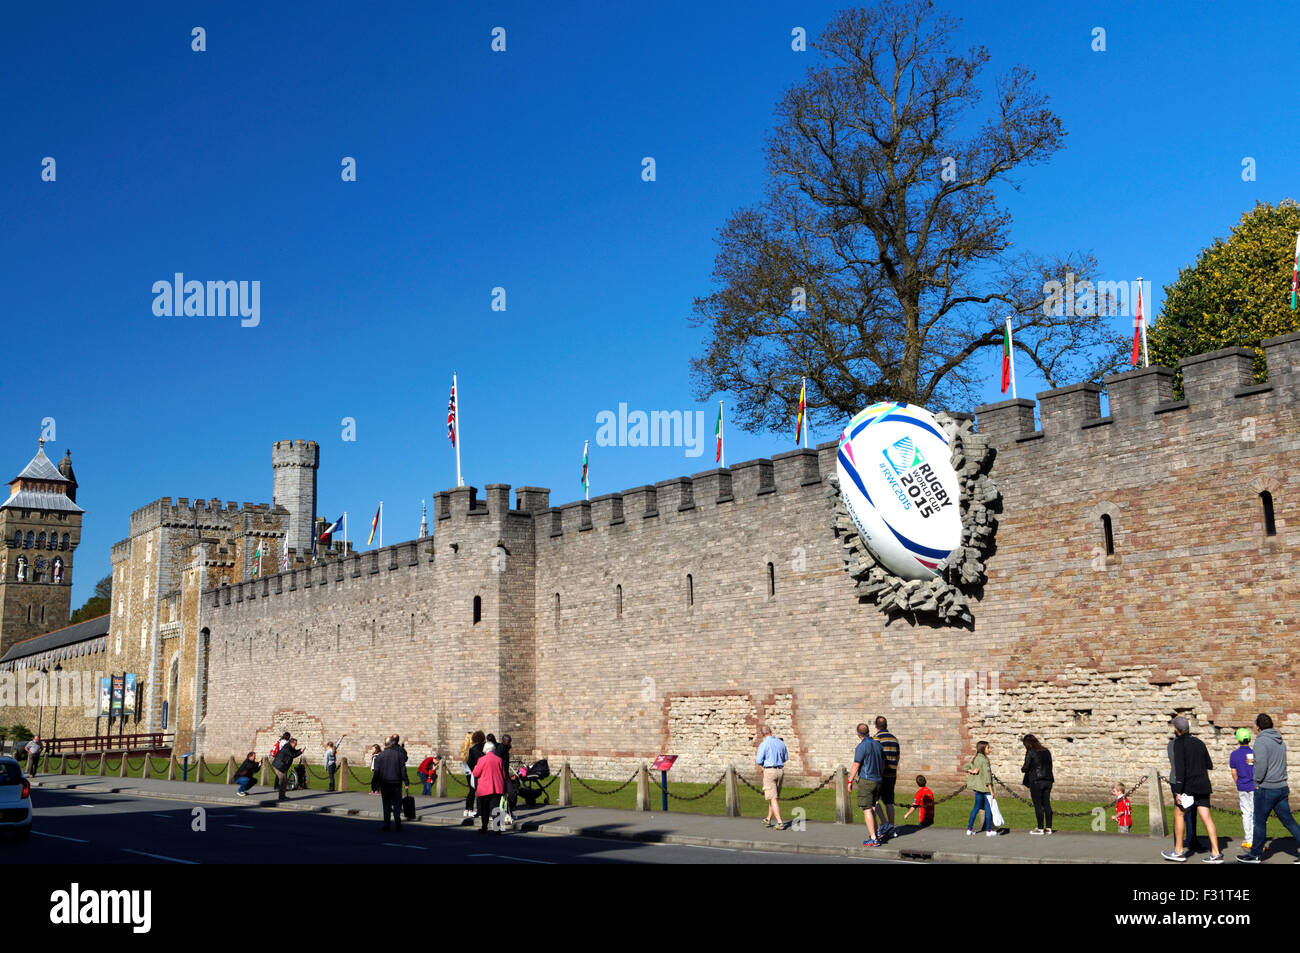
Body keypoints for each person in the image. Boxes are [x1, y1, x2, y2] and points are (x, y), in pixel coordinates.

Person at [1237, 713, 1300, 864]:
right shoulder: (1280, 741)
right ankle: (1255, 854)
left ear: (1258, 727)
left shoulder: (1261, 742)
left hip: (1267, 788)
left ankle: (1255, 855)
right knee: (1289, 821)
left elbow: (1261, 766)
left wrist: (1256, 781)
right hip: (1282, 787)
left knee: (1259, 821)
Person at [1162, 716, 1222, 863]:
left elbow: (1180, 770)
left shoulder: (1178, 744)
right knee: (1207, 818)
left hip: (1188, 786)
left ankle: (1178, 851)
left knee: (1179, 815)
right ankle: (1216, 853)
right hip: (1203, 785)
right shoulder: (1199, 742)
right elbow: (1209, 764)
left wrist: (1178, 791)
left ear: (1177, 729)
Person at [1166, 727, 1202, 854]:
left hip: (1180, 780)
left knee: (1187, 812)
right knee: (1182, 812)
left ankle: (1190, 840)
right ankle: (1181, 843)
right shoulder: (1175, 745)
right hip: (1180, 781)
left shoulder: (1172, 744)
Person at [849, 723, 884, 846]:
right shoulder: (878, 744)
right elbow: (883, 763)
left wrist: (850, 781)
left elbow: (856, 765)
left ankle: (874, 838)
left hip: (867, 780)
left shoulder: (862, 746)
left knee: (867, 809)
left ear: (858, 734)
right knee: (873, 806)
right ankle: (876, 832)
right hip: (878, 780)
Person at [754, 725, 789, 831]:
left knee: (772, 797)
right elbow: (785, 758)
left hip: (769, 771)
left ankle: (779, 822)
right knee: (774, 796)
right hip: (780, 770)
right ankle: (768, 819)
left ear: (762, 734)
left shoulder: (764, 744)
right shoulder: (780, 743)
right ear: (771, 731)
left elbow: (759, 760)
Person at [471, 740, 507, 833]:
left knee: (485, 809)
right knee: (496, 808)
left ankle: (484, 827)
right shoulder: (499, 760)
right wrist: (505, 789)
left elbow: (475, 773)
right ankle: (497, 828)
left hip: (484, 788)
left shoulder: (482, 760)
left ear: (485, 749)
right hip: (497, 788)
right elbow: (503, 775)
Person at [1021, 734, 1055, 834]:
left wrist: (1023, 769)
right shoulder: (1046, 751)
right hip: (1048, 780)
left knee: (1038, 805)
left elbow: (1026, 767)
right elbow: (1050, 765)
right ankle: (1048, 827)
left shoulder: (1031, 752)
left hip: (1036, 781)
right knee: (1047, 804)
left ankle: (1040, 828)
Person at [962, 740, 996, 836]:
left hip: (977, 789)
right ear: (983, 749)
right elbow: (987, 778)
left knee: (976, 808)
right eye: (988, 748)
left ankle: (969, 829)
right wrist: (991, 791)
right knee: (988, 809)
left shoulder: (975, 758)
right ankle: (989, 830)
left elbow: (964, 767)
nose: (989, 749)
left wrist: (971, 771)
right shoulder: (984, 761)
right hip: (985, 789)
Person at [1228, 728, 1255, 852]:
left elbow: (1234, 772)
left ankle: (1248, 839)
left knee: (1246, 813)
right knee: (1254, 813)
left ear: (1238, 740)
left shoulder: (1234, 754)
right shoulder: (1254, 753)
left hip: (1242, 786)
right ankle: (1255, 839)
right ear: (1249, 739)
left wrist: (1238, 783)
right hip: (1254, 786)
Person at [373, 738, 407, 832]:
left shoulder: (380, 756)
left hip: (384, 783)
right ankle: (397, 821)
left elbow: (376, 772)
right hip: (396, 783)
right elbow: (403, 770)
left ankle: (387, 824)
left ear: (385, 744)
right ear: (393, 744)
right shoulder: (399, 755)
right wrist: (406, 782)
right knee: (397, 803)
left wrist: (374, 784)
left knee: (386, 804)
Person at [873, 716, 900, 829]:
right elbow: (898, 757)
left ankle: (884, 823)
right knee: (889, 802)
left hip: (880, 775)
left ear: (876, 726)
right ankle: (891, 826)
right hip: (892, 774)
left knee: (874, 800)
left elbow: (875, 757)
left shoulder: (876, 738)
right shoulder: (894, 739)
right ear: (886, 725)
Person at [272, 737, 303, 802]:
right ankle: (281, 797)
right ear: (292, 743)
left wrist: (300, 750)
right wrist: (300, 751)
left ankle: (282, 796)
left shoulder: (290, 747)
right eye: (295, 743)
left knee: (284, 782)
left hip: (283, 767)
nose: (296, 745)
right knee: (283, 781)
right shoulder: (287, 748)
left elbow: (295, 752)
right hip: (279, 766)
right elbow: (292, 755)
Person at [463, 731, 485, 818]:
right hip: (478, 771)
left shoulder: (471, 748)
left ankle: (468, 809)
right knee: (478, 791)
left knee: (471, 790)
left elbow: (468, 762)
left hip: (469, 771)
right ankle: (473, 809)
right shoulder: (481, 748)